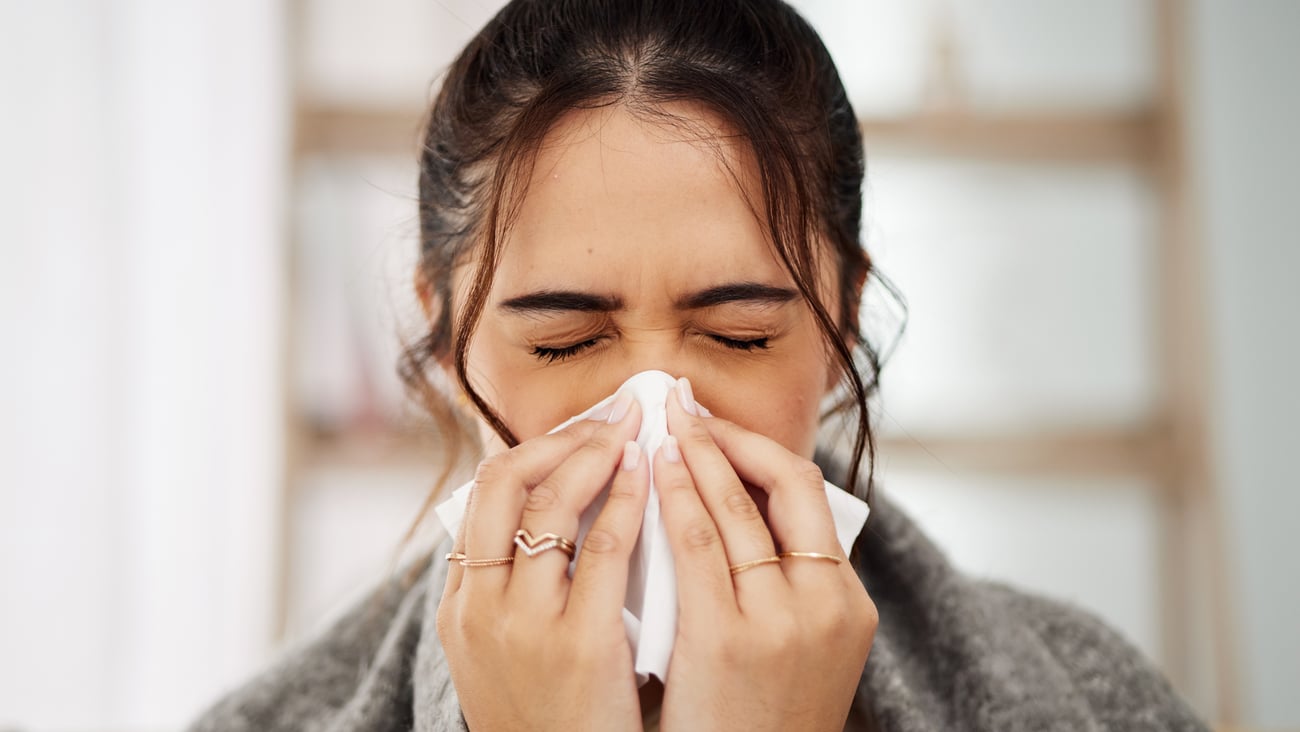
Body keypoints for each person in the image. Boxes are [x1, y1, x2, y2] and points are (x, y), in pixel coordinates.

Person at [187, 0, 1210, 729]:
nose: (655, 416)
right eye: (563, 340)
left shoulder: (1097, 702)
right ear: (449, 336)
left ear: (842, 319)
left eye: (738, 336)